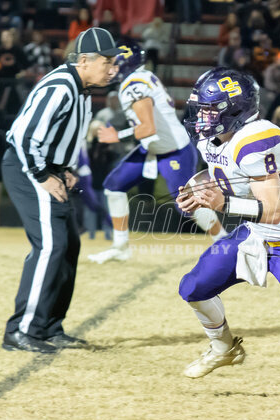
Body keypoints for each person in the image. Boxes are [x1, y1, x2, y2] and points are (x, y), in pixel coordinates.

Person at [176, 67, 280, 404]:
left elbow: (273, 211)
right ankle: (223, 347)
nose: (202, 116)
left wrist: (222, 203)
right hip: (256, 233)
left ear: (235, 110)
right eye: (202, 108)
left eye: (211, 109)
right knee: (193, 287)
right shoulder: (212, 138)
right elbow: (223, 172)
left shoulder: (258, 140)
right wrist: (198, 189)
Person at [1, 27, 121, 353]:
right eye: (107, 62)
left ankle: (49, 327)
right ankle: (21, 330)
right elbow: (25, 137)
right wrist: (43, 174)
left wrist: (65, 168)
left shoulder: (81, 88)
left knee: (69, 245)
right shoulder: (61, 87)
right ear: (84, 61)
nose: (112, 69)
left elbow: (57, 136)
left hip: (47, 167)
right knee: (51, 245)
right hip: (28, 167)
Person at [88, 43, 227, 264]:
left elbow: (148, 128)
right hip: (153, 147)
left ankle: (224, 241)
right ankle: (120, 247)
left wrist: (117, 135)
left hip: (173, 151)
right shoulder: (141, 77)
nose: (109, 68)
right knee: (113, 186)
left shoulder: (133, 85)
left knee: (187, 205)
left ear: (125, 65)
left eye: (113, 63)